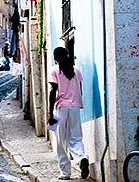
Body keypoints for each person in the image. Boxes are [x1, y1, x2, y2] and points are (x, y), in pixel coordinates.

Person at [48, 47, 89, 180]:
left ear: (56, 58)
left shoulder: (54, 70)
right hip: (75, 107)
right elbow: (80, 90)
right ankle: (82, 157)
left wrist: (50, 112)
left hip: (61, 108)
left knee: (61, 141)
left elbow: (53, 91)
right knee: (76, 138)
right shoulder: (76, 71)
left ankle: (65, 173)